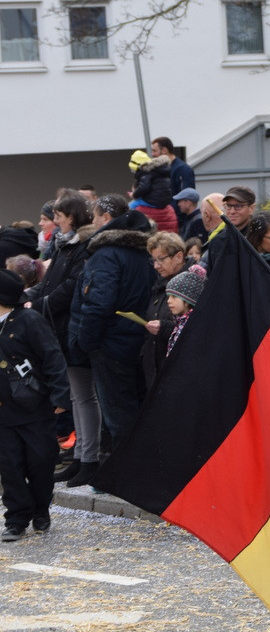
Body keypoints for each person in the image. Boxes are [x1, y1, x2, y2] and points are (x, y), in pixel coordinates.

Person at [26, 189, 101, 488]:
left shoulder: (82, 246)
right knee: (76, 396)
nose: (54, 221)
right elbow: (50, 283)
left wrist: (41, 304)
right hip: (59, 327)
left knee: (84, 396)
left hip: (71, 326)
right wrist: (29, 297)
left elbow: (70, 286)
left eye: (57, 216)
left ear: (70, 216)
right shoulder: (63, 245)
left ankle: (88, 458)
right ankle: (82, 456)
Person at [71, 195, 155, 452]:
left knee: (118, 416)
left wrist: (86, 341)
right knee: (138, 410)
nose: (93, 222)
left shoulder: (106, 254)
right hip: (139, 340)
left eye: (95, 216)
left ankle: (126, 476)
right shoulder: (143, 251)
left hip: (111, 344)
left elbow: (99, 302)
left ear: (106, 218)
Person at [0, 269, 71, 541]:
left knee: (41, 462)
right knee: (10, 466)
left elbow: (52, 357)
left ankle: (41, 508)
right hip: (4, 411)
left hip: (35, 408)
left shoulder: (29, 320)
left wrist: (60, 396)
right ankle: (16, 518)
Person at [143, 232, 188, 389]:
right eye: (153, 260)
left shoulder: (190, 285)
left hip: (178, 372)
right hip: (156, 369)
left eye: (160, 259)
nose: (156, 266)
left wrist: (164, 327)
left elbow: (194, 328)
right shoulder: (161, 283)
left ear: (178, 257)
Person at [128, 150, 177, 232]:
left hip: (153, 201)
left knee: (130, 206)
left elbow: (144, 187)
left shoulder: (147, 173)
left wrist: (134, 194)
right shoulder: (161, 172)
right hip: (164, 201)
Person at [165, 268, 206, 356]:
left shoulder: (195, 325)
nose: (169, 301)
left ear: (187, 299)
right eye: (168, 296)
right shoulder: (179, 321)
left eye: (174, 297)